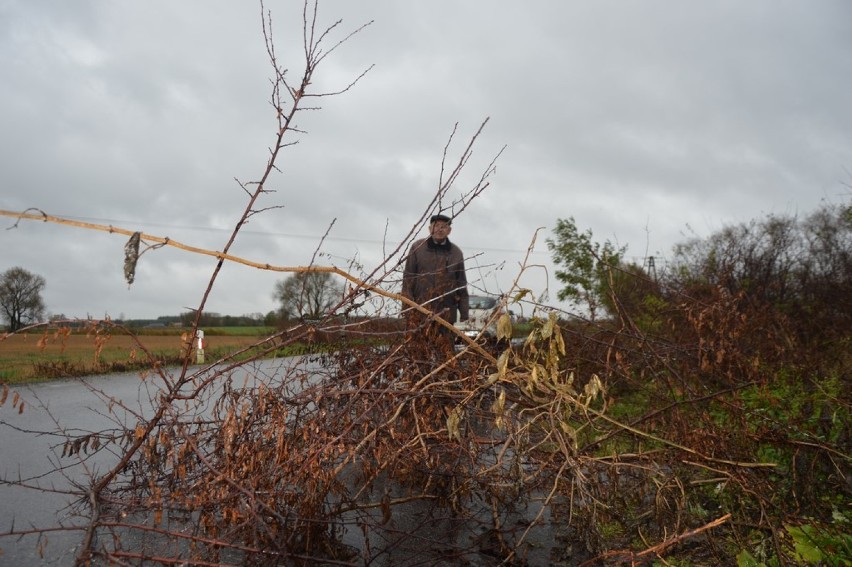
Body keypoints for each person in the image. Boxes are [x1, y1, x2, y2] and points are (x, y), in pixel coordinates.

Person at [402, 213, 470, 349]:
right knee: (418, 350)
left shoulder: (456, 253)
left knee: (445, 351)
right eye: (436, 226)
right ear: (429, 228)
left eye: (444, 226)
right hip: (420, 310)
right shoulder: (417, 247)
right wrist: (407, 307)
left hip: (446, 312)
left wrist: (464, 311)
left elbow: (461, 282)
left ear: (449, 230)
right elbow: (408, 279)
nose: (439, 229)